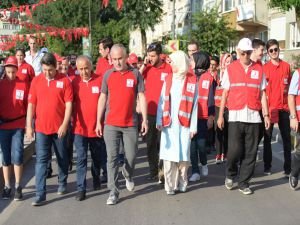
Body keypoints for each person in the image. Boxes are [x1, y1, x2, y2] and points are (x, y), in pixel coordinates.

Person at [95, 44, 148, 205]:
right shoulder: (108, 75)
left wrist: (144, 119)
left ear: (126, 58)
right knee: (111, 158)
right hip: (110, 123)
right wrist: (98, 121)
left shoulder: (135, 74)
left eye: (120, 59)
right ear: (110, 59)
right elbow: (102, 98)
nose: (117, 62)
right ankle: (113, 191)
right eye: (114, 59)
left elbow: (142, 97)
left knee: (131, 156)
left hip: (130, 123)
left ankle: (128, 173)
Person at [217, 38, 270, 195]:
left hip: (254, 116)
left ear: (251, 52)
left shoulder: (259, 70)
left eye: (248, 53)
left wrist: (266, 115)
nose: (245, 56)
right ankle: (230, 173)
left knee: (251, 152)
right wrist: (220, 116)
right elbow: (225, 93)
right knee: (234, 150)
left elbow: (262, 94)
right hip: (235, 115)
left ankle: (244, 182)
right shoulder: (231, 69)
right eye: (242, 53)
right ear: (238, 52)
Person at [26, 53, 73, 206]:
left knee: (62, 157)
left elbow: (68, 105)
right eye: (45, 70)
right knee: (41, 160)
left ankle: (62, 181)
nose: (47, 73)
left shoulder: (64, 81)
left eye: (50, 70)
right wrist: (28, 125)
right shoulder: (36, 81)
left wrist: (65, 124)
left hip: (59, 128)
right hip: (41, 129)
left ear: (56, 67)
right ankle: (40, 194)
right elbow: (31, 105)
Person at [156, 50, 198, 195]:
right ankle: (170, 186)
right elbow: (162, 101)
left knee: (183, 157)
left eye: (173, 62)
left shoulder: (192, 81)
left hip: (184, 125)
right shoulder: (168, 79)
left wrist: (193, 126)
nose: (170, 64)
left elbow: (195, 105)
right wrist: (159, 120)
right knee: (169, 157)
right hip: (169, 124)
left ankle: (182, 183)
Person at [72, 56, 107, 201]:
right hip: (79, 129)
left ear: (91, 66)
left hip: (96, 128)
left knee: (97, 157)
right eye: (80, 69)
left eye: (86, 68)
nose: (84, 71)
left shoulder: (100, 80)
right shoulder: (74, 82)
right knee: (81, 158)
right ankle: (81, 189)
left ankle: (96, 177)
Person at [140, 42, 173, 181]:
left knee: (162, 144)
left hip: (164, 112)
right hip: (149, 112)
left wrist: (172, 62)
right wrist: (143, 65)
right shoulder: (147, 68)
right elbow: (136, 77)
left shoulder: (168, 68)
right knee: (150, 144)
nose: (151, 58)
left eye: (153, 56)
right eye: (149, 56)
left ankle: (163, 171)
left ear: (160, 55)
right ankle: (153, 171)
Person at [0, 56, 28, 200]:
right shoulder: (1, 84)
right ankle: (7, 186)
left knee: (17, 154)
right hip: (4, 125)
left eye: (13, 72)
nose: (11, 75)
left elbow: (28, 106)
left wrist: (29, 124)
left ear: (17, 70)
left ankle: (17, 185)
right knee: (5, 157)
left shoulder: (23, 84)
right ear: (5, 70)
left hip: (18, 125)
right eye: (8, 72)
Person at [263, 39, 291, 177]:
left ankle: (288, 169)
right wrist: (265, 112)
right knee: (267, 138)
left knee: (286, 139)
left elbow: (290, 87)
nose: (274, 52)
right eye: (271, 50)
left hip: (284, 108)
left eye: (276, 49)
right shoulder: (265, 68)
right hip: (270, 109)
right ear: (268, 53)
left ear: (279, 50)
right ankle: (267, 166)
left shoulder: (286, 66)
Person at [189, 51, 214, 182]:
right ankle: (195, 171)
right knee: (192, 147)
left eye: (192, 60)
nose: (190, 62)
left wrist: (211, 116)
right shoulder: (189, 75)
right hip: (190, 117)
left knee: (201, 145)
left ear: (200, 61)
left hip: (203, 117)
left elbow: (211, 99)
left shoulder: (209, 77)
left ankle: (204, 163)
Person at [214, 53, 232, 164]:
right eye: (227, 61)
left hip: (229, 106)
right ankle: (218, 152)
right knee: (218, 130)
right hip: (217, 106)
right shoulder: (217, 75)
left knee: (227, 131)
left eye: (230, 61)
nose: (228, 64)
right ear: (223, 62)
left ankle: (225, 153)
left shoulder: (233, 73)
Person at [288, 68, 300, 190]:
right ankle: (295, 173)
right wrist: (293, 117)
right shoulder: (298, 73)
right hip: (299, 119)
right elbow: (291, 96)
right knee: (299, 151)